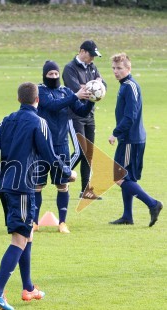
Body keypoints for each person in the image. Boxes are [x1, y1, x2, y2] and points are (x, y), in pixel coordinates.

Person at [0, 82, 74, 310]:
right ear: (38, 101)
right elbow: (50, 155)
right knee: (19, 239)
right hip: (23, 187)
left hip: (6, 185)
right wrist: (67, 173)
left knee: (27, 233)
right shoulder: (39, 122)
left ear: (18, 100)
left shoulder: (5, 121)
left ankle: (28, 288)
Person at [35, 60, 93, 234]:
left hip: (61, 146)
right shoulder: (40, 91)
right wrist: (75, 96)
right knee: (37, 185)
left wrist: (90, 100)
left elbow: (81, 111)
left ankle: (62, 223)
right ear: (44, 75)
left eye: (55, 74)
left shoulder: (65, 91)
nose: (53, 77)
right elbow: (52, 106)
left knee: (63, 185)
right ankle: (34, 222)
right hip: (42, 146)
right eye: (50, 74)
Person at [108, 53, 163, 226]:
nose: (116, 72)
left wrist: (115, 133)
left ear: (128, 68)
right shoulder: (125, 85)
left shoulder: (129, 86)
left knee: (118, 177)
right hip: (132, 138)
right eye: (114, 68)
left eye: (120, 68)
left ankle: (153, 204)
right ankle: (127, 216)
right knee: (127, 177)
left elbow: (130, 116)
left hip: (130, 139)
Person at [63, 40, 107, 200]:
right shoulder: (70, 68)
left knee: (89, 154)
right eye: (91, 55)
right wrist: (92, 85)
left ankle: (86, 190)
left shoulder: (92, 67)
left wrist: (97, 86)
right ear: (82, 51)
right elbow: (77, 90)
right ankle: (62, 173)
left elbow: (103, 85)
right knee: (80, 151)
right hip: (74, 115)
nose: (93, 59)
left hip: (89, 115)